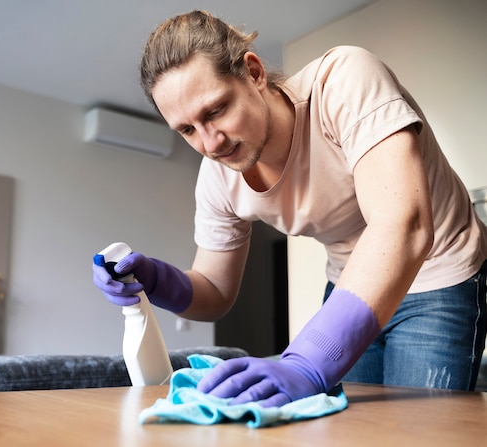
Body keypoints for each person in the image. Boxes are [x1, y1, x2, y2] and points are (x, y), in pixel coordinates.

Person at [92, 10, 487, 407]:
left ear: (254, 72)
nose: (210, 144)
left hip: (440, 271)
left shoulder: (344, 81)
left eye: (215, 111)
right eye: (188, 130)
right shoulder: (218, 177)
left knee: (421, 432)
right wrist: (155, 279)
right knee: (354, 430)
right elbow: (215, 291)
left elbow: (405, 226)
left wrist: (306, 363)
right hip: (351, 283)